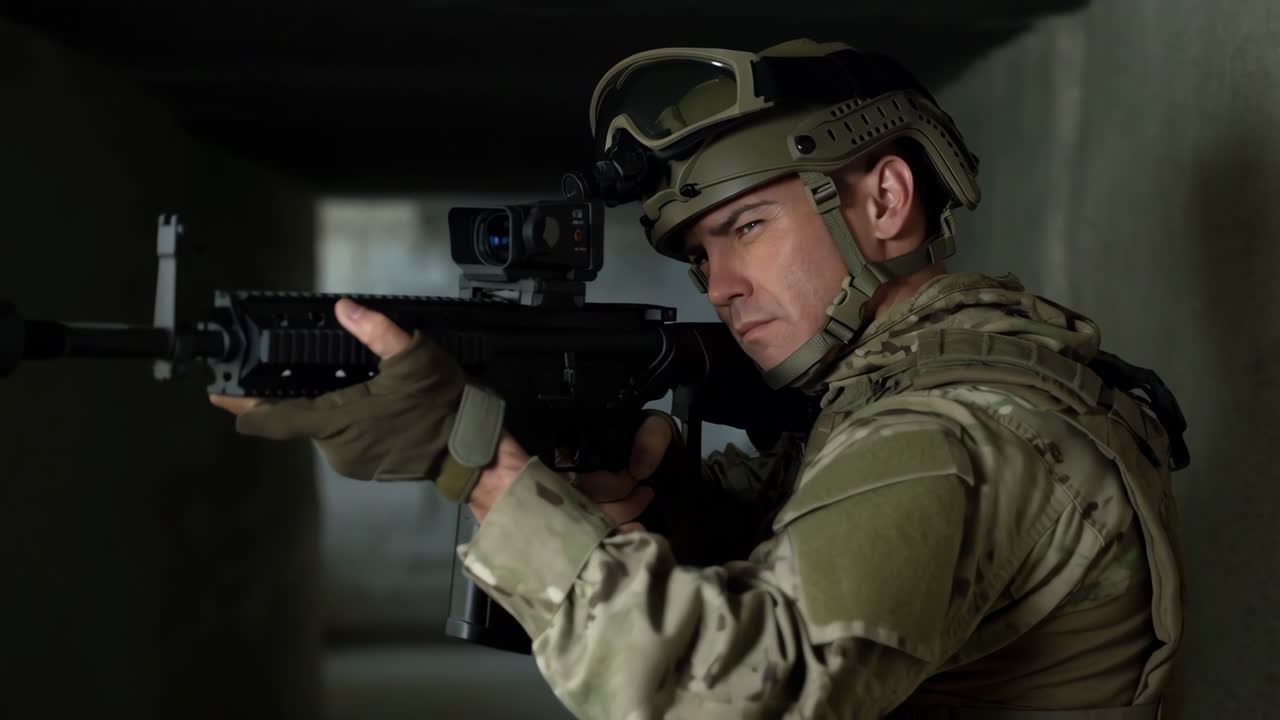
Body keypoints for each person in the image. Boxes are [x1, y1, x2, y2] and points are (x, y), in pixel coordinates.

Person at [213, 39, 1188, 719]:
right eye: (696, 258)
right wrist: (675, 508)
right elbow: (826, 558)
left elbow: (736, 698)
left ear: (884, 199)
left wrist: (487, 476)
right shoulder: (913, 389)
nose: (719, 285)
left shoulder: (952, 428)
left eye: (745, 228)